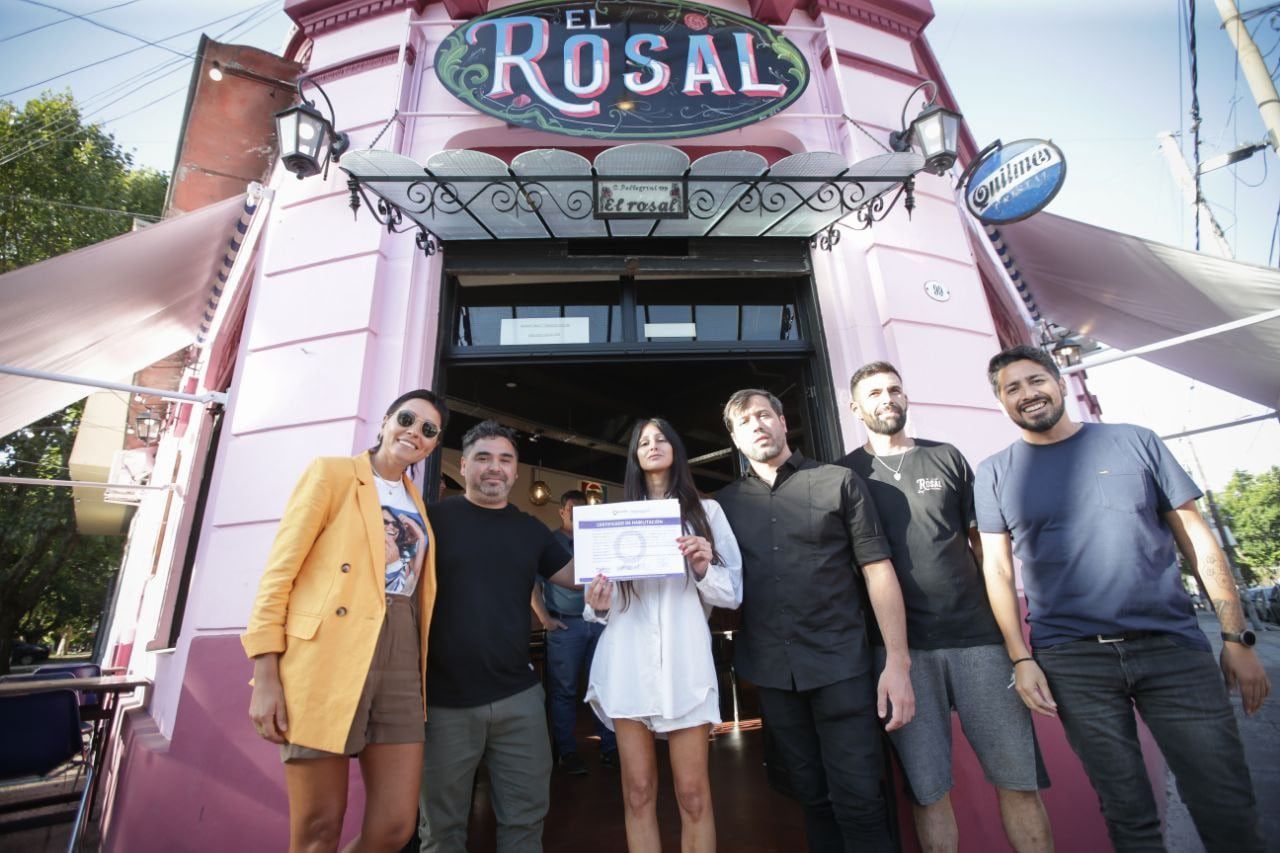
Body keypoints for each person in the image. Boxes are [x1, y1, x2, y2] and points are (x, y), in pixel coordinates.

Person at [975, 344, 1271, 853]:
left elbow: (1198, 540)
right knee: (1127, 814)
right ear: (1001, 402)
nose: (1027, 394)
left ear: (1060, 383)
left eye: (1036, 381)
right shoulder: (995, 472)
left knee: (1225, 806)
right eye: (1012, 389)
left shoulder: (1136, 442)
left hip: (1171, 649)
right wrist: (1021, 657)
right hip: (1072, 660)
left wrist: (1236, 637)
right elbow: (997, 569)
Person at [838, 362, 1053, 853]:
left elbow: (986, 552)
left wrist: (1015, 644)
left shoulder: (946, 458)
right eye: (873, 393)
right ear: (856, 408)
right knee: (928, 791)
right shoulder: (846, 474)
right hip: (899, 655)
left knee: (1018, 780)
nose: (886, 398)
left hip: (979, 640)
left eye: (894, 389)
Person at [242, 389, 447, 853]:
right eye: (408, 419)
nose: (414, 432)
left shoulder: (418, 503)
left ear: (433, 446)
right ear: (385, 421)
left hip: (400, 654)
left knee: (397, 826)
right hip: (327, 654)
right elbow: (280, 573)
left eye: (428, 430)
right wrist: (266, 671)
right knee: (317, 829)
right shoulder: (332, 474)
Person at [715, 388, 915, 853]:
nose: (757, 425)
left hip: (841, 666)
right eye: (745, 422)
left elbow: (878, 569)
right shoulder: (722, 504)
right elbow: (715, 584)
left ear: (784, 423)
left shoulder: (838, 481)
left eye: (765, 415)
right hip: (772, 673)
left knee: (861, 800)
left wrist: (898, 663)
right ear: (735, 438)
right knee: (811, 799)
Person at [582, 418, 743, 853]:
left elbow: (733, 592)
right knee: (637, 792)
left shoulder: (706, 514)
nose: (653, 446)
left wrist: (704, 567)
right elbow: (600, 604)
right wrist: (596, 602)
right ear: (634, 456)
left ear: (676, 448)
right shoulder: (615, 519)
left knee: (693, 795)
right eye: (643, 442)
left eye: (661, 439)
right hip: (627, 664)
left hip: (684, 663)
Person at [418, 420, 579, 853]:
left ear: (515, 470)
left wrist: (652, 549)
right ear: (465, 464)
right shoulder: (431, 521)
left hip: (520, 702)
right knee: (442, 831)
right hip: (444, 702)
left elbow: (574, 576)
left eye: (505, 459)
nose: (495, 468)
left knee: (526, 823)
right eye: (484, 458)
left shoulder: (529, 529)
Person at [530, 489, 619, 774]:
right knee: (564, 691)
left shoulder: (596, 540)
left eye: (582, 509)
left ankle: (609, 748)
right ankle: (567, 753)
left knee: (604, 686)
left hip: (600, 623)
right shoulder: (550, 542)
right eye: (572, 509)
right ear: (562, 511)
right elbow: (532, 583)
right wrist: (544, 618)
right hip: (565, 624)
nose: (577, 513)